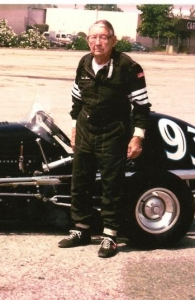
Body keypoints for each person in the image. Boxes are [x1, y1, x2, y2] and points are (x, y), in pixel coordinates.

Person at [58, 20, 151, 258]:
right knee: (80, 182)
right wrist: (74, 127)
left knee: (112, 186)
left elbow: (141, 107)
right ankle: (81, 229)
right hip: (86, 131)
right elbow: (76, 100)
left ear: (113, 40)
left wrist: (137, 137)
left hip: (113, 134)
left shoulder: (128, 67)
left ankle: (110, 235)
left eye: (103, 37)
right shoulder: (84, 63)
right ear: (87, 40)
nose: (97, 42)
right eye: (93, 37)